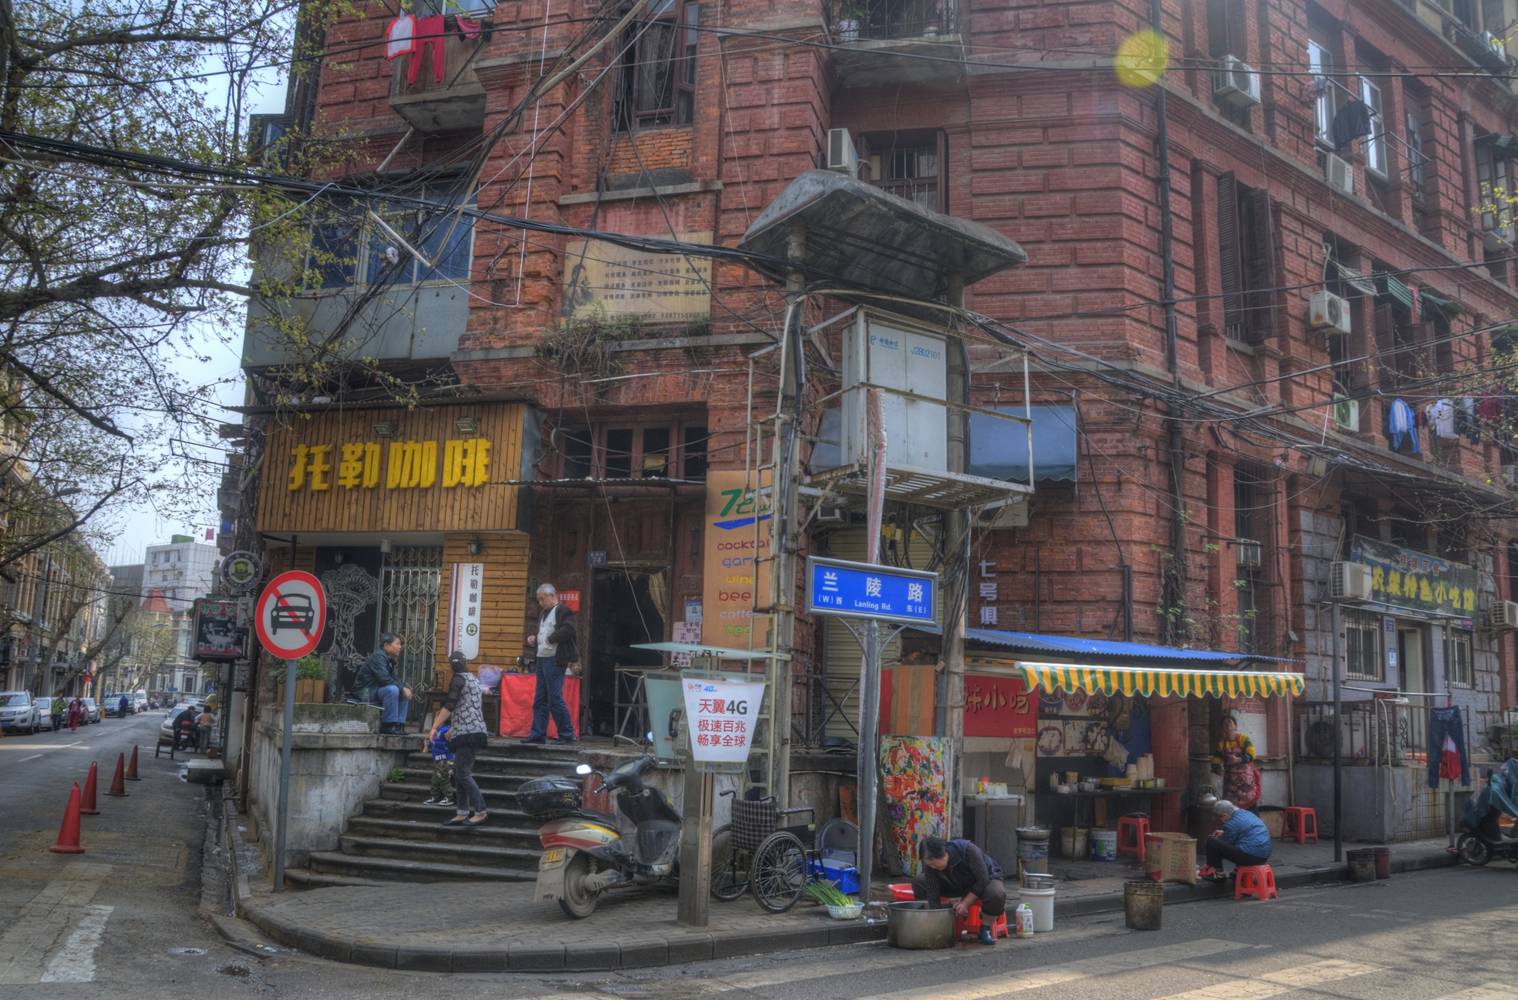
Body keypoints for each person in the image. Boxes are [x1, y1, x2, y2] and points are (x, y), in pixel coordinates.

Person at [428, 650, 490, 826]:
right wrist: (453, 727)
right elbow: (468, 706)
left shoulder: (457, 679)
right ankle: (462, 812)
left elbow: (450, 704)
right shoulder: (473, 680)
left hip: (467, 733)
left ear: (451, 666)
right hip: (473, 729)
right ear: (466, 663)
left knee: (462, 773)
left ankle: (481, 811)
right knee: (458, 773)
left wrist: (435, 727)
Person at [912, 836, 1006, 946]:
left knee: (996, 893)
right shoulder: (931, 867)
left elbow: (982, 880)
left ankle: (985, 929)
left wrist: (965, 904)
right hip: (955, 884)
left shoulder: (968, 850)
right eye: (928, 864)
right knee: (919, 882)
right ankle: (928, 923)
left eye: (933, 863)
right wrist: (938, 921)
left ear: (943, 852)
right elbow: (933, 895)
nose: (932, 867)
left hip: (985, 881)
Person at [522, 583, 578, 746]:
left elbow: (570, 629)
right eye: (539, 600)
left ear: (552, 596)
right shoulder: (544, 613)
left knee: (555, 698)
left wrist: (551, 639)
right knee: (540, 698)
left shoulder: (564, 610)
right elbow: (544, 631)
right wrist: (535, 637)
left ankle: (567, 734)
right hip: (541, 658)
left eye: (542, 599)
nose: (540, 603)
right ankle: (538, 734)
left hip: (555, 659)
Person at [354, 633, 412, 736]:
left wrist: (404, 687)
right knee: (392, 690)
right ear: (386, 645)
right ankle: (388, 725)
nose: (400, 647)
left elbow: (393, 677)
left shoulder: (387, 659)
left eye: (400, 644)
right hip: (368, 691)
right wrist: (402, 688)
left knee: (403, 693)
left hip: (377, 690)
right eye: (397, 644)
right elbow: (384, 679)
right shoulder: (378, 657)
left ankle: (398, 725)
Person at [1202, 799, 1273, 882]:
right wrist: (1225, 832)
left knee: (1211, 842)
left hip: (1251, 857)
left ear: (1225, 815)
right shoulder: (1245, 813)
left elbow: (1224, 846)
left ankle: (1219, 875)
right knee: (1241, 843)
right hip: (1264, 855)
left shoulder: (1231, 824)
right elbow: (1243, 830)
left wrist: (1210, 863)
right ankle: (1237, 873)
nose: (1221, 821)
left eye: (1221, 819)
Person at [1211, 713, 1259, 810]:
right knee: (1231, 811)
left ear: (1236, 726)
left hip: (1246, 783)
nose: (1228, 724)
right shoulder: (1221, 744)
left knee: (1251, 810)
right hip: (1230, 785)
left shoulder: (1243, 739)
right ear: (1223, 729)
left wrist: (1238, 760)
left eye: (1230, 722)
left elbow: (1252, 754)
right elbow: (1215, 763)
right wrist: (1218, 770)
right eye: (1225, 723)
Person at [424, 724, 455, 807]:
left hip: (445, 759)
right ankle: (435, 796)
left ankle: (448, 797)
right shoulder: (438, 730)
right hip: (438, 760)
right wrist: (429, 743)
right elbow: (435, 743)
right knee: (435, 780)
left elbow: (448, 739)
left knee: (444, 778)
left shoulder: (445, 730)